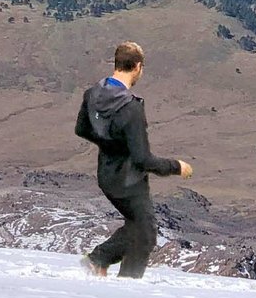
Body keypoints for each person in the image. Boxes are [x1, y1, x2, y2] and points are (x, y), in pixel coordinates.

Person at [74, 40, 192, 278]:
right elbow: (142, 160)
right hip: (128, 182)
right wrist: (176, 166)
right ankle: (111, 272)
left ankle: (101, 263)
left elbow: (82, 129)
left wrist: (111, 145)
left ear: (116, 64)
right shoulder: (131, 108)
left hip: (106, 175)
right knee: (145, 235)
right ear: (138, 67)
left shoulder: (93, 93)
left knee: (138, 229)